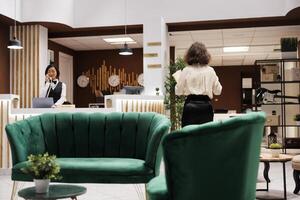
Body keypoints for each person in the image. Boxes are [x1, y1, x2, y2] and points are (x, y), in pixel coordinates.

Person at [174, 42, 222, 127]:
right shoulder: (210, 70)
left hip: (190, 106)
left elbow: (178, 92)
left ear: (189, 55)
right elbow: (218, 91)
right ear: (205, 55)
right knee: (205, 135)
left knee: (188, 135)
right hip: (206, 107)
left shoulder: (186, 70)